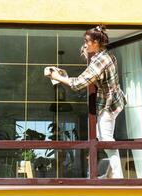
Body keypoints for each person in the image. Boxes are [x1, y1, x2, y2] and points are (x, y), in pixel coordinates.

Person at [44, 25, 127, 179]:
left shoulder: (99, 62)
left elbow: (78, 84)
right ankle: (112, 173)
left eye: (87, 42)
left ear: (96, 42)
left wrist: (57, 77)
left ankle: (117, 176)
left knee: (106, 139)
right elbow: (96, 71)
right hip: (115, 101)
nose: (85, 44)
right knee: (104, 137)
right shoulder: (107, 55)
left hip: (108, 105)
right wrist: (87, 54)